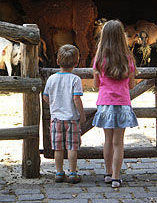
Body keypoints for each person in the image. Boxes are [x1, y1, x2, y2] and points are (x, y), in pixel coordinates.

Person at [92, 19, 138, 188]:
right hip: (123, 104)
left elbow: (96, 84)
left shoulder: (99, 59)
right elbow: (132, 85)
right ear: (122, 37)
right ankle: (117, 178)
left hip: (105, 104)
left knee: (108, 141)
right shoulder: (128, 59)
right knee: (119, 142)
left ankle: (108, 173)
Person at [43, 44, 86, 184]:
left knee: (58, 147)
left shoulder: (51, 79)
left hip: (56, 119)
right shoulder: (75, 80)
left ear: (57, 61)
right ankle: (73, 173)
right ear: (76, 62)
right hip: (72, 119)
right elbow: (76, 98)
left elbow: (45, 97)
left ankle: (59, 172)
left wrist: (54, 104)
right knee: (72, 147)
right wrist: (82, 114)